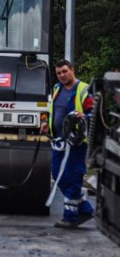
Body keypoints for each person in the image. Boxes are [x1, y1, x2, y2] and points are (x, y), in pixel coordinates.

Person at [40, 59, 94, 229]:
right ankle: (85, 208)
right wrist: (46, 124)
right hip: (59, 141)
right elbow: (52, 110)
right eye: (59, 73)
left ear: (72, 69)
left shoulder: (84, 90)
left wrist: (83, 116)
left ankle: (70, 217)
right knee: (57, 175)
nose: (62, 75)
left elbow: (93, 114)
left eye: (64, 71)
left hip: (76, 143)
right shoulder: (57, 89)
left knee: (73, 177)